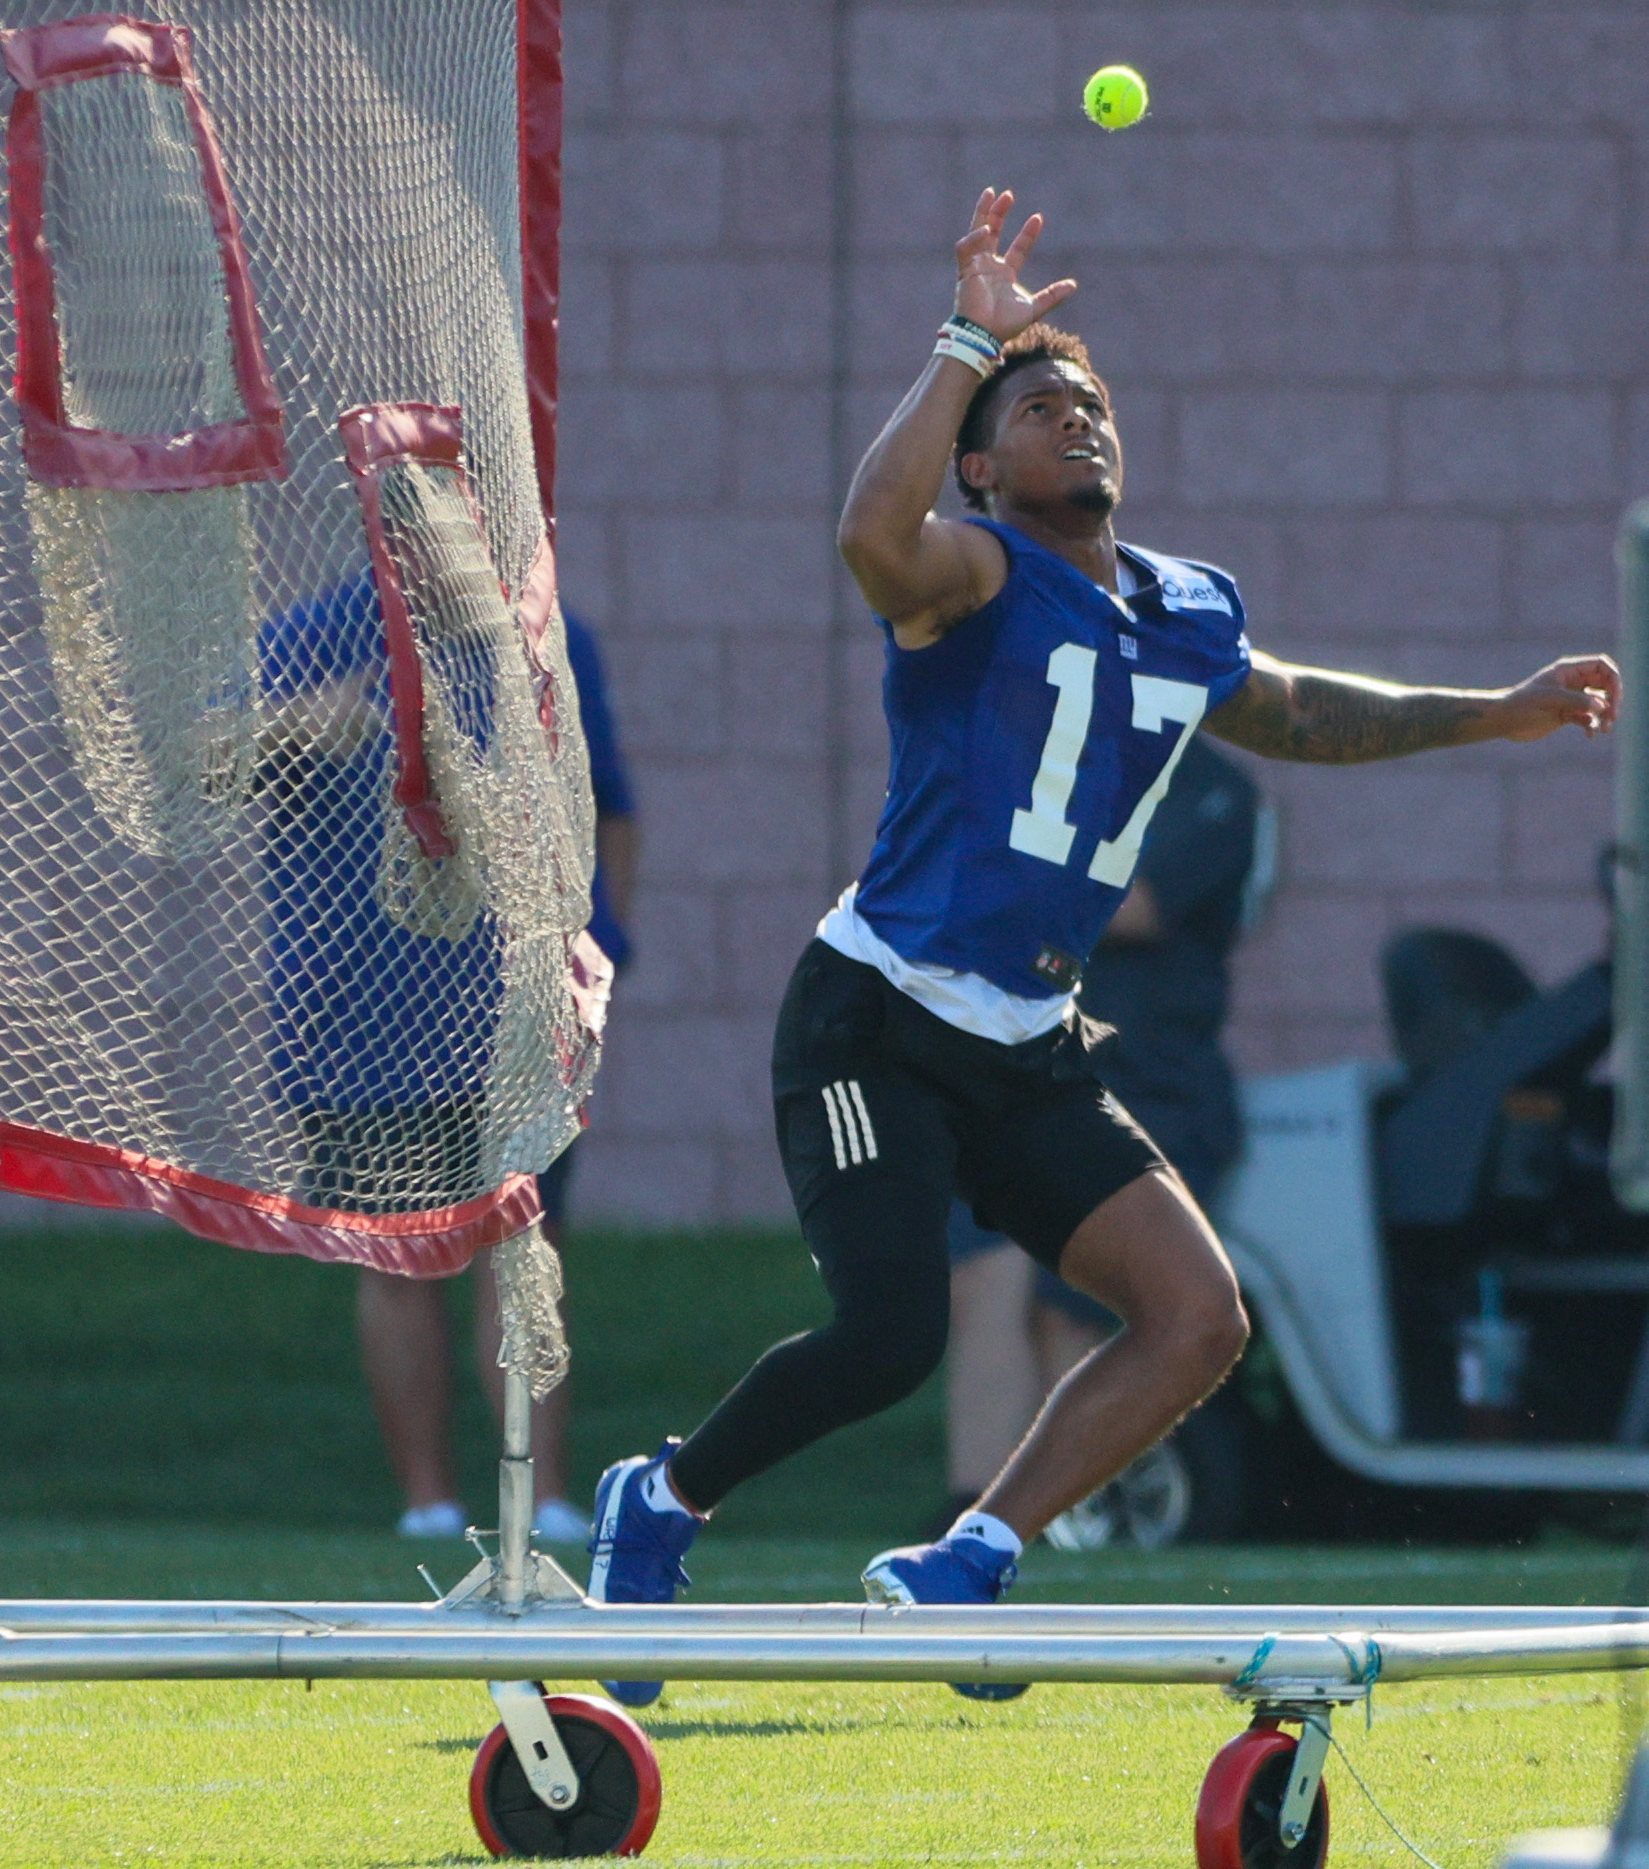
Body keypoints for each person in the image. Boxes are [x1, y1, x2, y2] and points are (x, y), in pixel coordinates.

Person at [585, 187, 1619, 1707]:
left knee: (1199, 1314)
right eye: (1038, 408)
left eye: (1088, 401)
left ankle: (965, 1563)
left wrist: (1493, 709)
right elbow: (871, 532)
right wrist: (962, 342)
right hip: (875, 1016)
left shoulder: (1180, 611)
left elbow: (1297, 711)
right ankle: (658, 1504)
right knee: (886, 1338)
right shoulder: (974, 577)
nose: (1075, 419)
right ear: (983, 468)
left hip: (1024, 1039)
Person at [355, 608, 639, 1541]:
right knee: (399, 1252)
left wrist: (604, 950)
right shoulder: (318, 631)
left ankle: (541, 1492)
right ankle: (426, 1503)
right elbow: (209, 747)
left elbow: (611, 807)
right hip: (368, 1013)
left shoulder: (553, 639)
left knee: (524, 1245)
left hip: (519, 1010)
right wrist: (303, 721)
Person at [940, 737, 1263, 1539]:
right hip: (1023, 1071)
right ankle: (964, 1515)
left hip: (1151, 1083)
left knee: (1075, 1301)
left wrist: (1003, 889)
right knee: (984, 1279)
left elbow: (1138, 907)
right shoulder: (1047, 771)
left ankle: (1068, 1515)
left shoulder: (1212, 787)